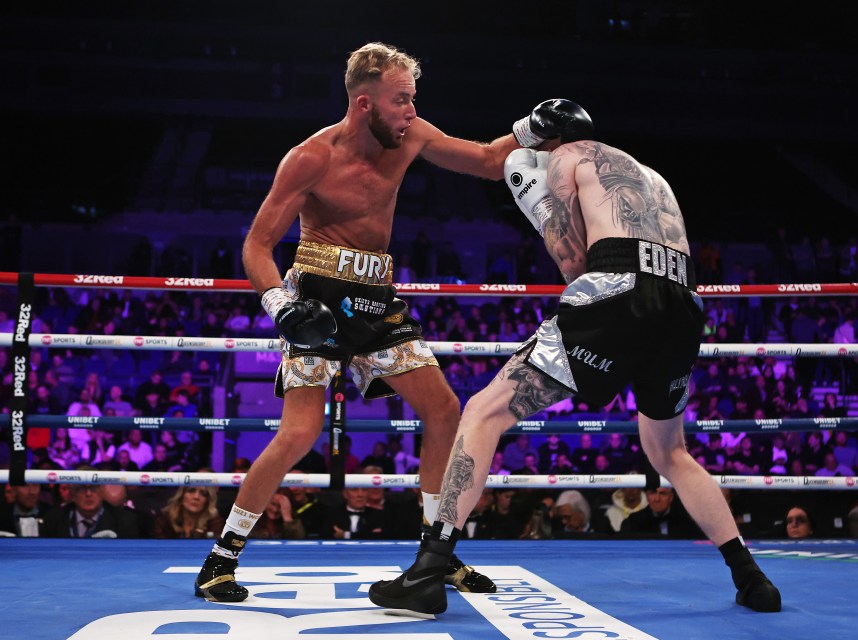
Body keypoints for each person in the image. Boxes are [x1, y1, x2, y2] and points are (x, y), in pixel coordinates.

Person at [194, 42, 592, 602]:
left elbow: (483, 160)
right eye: (400, 100)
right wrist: (281, 306)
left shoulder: (412, 135)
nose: (410, 111)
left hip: (378, 301)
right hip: (319, 301)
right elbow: (257, 245)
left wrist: (532, 126)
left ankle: (437, 554)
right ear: (364, 104)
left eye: (412, 100)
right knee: (300, 432)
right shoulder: (310, 158)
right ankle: (220, 559)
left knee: (445, 409)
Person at [368, 139, 781, 615]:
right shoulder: (654, 178)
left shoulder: (566, 157)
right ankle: (751, 577)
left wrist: (535, 199)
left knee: (483, 412)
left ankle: (427, 570)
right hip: (684, 305)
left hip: (618, 294)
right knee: (670, 451)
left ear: (543, 143)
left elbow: (574, 264)